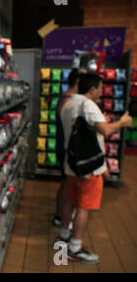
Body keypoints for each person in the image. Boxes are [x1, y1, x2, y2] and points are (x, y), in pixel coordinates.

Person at [57, 73, 132, 264]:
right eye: (100, 87)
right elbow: (105, 130)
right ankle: (75, 248)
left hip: (72, 164)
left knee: (70, 200)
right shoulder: (88, 105)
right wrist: (122, 123)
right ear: (92, 89)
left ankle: (63, 237)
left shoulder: (67, 105)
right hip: (89, 167)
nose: (101, 91)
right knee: (84, 206)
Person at [51, 69, 79, 227]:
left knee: (66, 182)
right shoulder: (67, 101)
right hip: (65, 148)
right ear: (78, 81)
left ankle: (60, 215)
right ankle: (59, 216)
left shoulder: (66, 99)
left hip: (64, 146)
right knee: (66, 183)